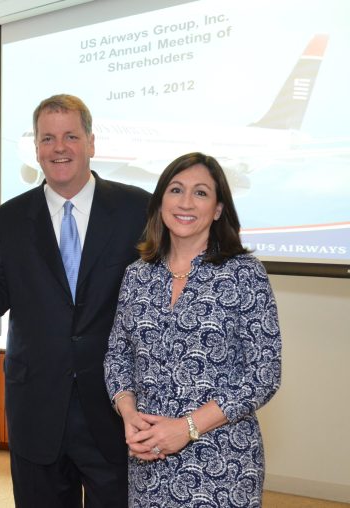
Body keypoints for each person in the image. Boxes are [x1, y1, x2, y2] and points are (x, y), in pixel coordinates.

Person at [0, 94, 150, 507]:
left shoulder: (137, 208)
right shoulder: (9, 218)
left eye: (70, 136)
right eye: (47, 138)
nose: (59, 148)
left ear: (91, 143)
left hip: (114, 410)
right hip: (36, 412)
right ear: (37, 149)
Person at [104, 152, 282, 507]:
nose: (186, 202)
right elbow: (117, 355)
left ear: (218, 209)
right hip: (149, 458)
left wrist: (186, 428)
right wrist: (128, 414)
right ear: (160, 203)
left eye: (201, 193)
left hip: (222, 462)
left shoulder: (244, 273)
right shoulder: (138, 274)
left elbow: (263, 374)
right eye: (176, 190)